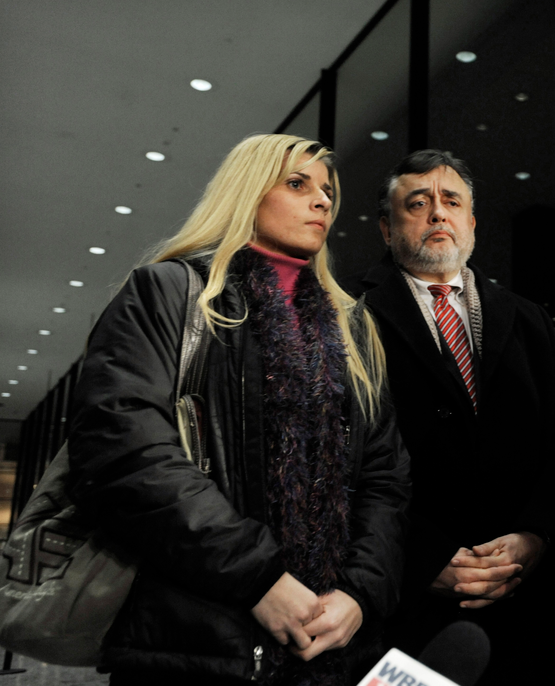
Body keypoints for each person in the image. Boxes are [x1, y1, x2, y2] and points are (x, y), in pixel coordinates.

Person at [66, 134, 410, 685]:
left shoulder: (353, 327)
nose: (323, 201)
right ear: (246, 192)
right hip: (198, 643)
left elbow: (385, 478)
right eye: (297, 184)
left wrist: (359, 593)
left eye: (327, 191)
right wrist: (258, 578)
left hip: (334, 648)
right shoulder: (170, 293)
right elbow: (123, 451)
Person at [342, 150, 555, 685]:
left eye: (451, 201)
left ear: (472, 223)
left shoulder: (526, 318)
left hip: (532, 605)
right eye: (418, 203)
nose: (438, 213)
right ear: (387, 230)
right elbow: (343, 467)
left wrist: (536, 536)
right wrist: (424, 558)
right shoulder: (350, 320)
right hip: (411, 610)